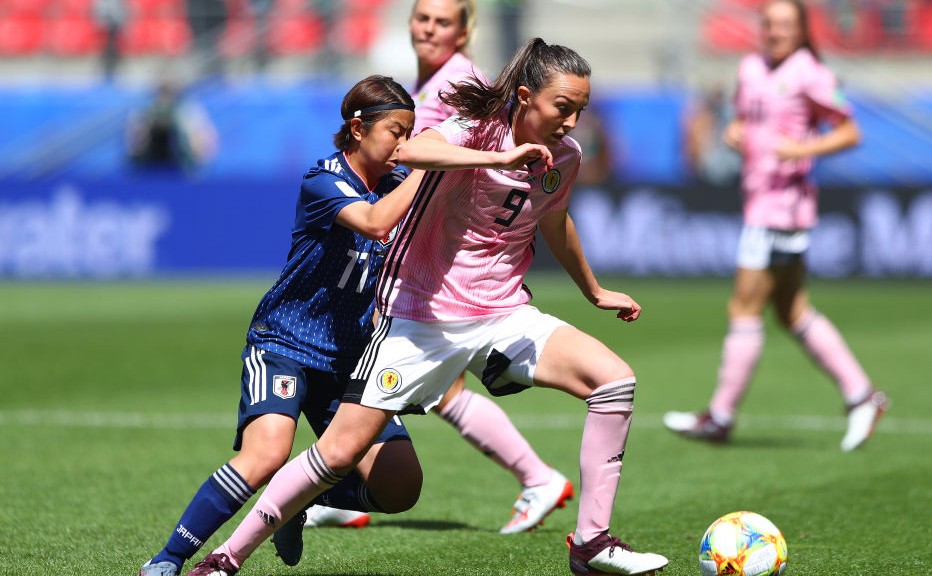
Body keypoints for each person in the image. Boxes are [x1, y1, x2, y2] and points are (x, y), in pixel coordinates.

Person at [184, 38, 669, 576]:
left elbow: (555, 221)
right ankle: (226, 557)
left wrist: (594, 291)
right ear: (527, 97)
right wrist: (499, 155)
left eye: (581, 109)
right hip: (419, 317)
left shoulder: (566, 158)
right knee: (339, 455)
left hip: (504, 312)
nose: (573, 121)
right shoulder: (479, 129)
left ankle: (591, 543)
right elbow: (410, 151)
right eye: (563, 107)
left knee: (613, 381)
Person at [300, 0, 573, 538]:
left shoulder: (463, 82)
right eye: (422, 18)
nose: (430, 29)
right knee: (408, 379)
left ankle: (536, 475)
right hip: (412, 252)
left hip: (438, 263)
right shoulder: (423, 84)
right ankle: (345, 485)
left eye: (443, 21)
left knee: (424, 382)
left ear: (465, 29)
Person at [138, 75, 426, 576]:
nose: (405, 144)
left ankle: (295, 501)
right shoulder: (325, 180)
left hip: (353, 355)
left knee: (401, 486)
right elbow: (378, 224)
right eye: (397, 131)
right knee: (267, 454)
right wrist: (428, 168)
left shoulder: (399, 182)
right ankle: (167, 559)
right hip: (286, 341)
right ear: (357, 129)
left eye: (412, 133)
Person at [663, 0, 888, 453]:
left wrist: (801, 149)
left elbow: (850, 131)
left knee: (744, 307)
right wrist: (734, 132)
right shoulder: (749, 68)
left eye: (786, 24)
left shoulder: (811, 73)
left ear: (802, 30)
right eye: (769, 23)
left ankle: (721, 416)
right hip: (759, 202)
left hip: (782, 208)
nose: (776, 31)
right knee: (792, 310)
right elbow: (746, 121)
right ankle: (862, 396)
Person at [125, 79, 218, 172]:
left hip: (182, 163)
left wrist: (199, 157)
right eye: (162, 94)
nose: (164, 99)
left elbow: (203, 137)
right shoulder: (145, 112)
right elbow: (134, 139)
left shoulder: (187, 111)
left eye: (167, 94)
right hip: (151, 161)